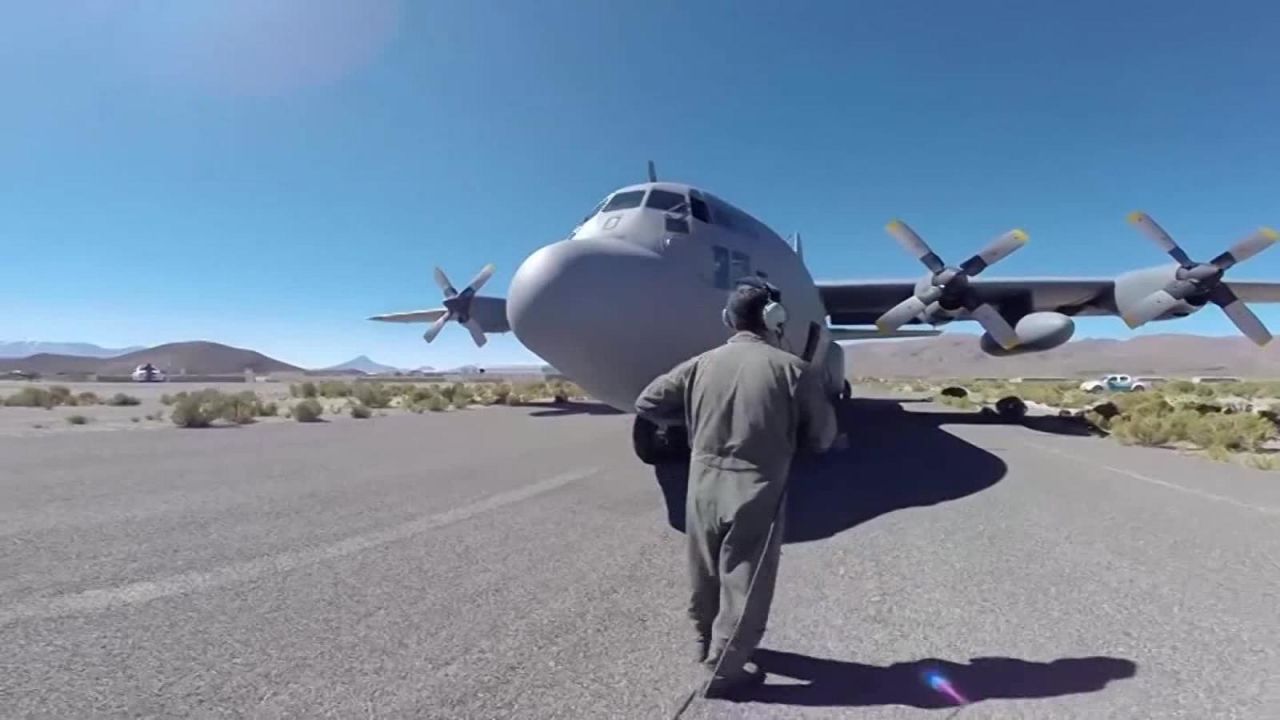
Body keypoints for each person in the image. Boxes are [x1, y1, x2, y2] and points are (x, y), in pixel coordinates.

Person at [634, 276, 840, 695]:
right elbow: (822, 437)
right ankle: (723, 671)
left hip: (702, 482)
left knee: (704, 568)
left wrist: (696, 420)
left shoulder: (699, 364)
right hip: (757, 486)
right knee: (745, 576)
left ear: (728, 318)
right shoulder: (793, 370)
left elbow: (648, 402)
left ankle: (703, 641)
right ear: (772, 318)